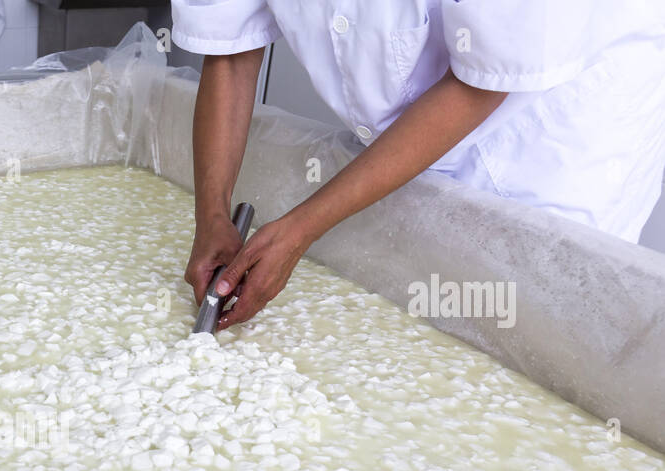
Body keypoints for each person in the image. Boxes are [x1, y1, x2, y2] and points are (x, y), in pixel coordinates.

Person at [173, 0, 665, 327]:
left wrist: (303, 227)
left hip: (553, 128)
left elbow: (484, 81)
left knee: (543, 323)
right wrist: (211, 214)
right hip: (422, 124)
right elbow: (232, 50)